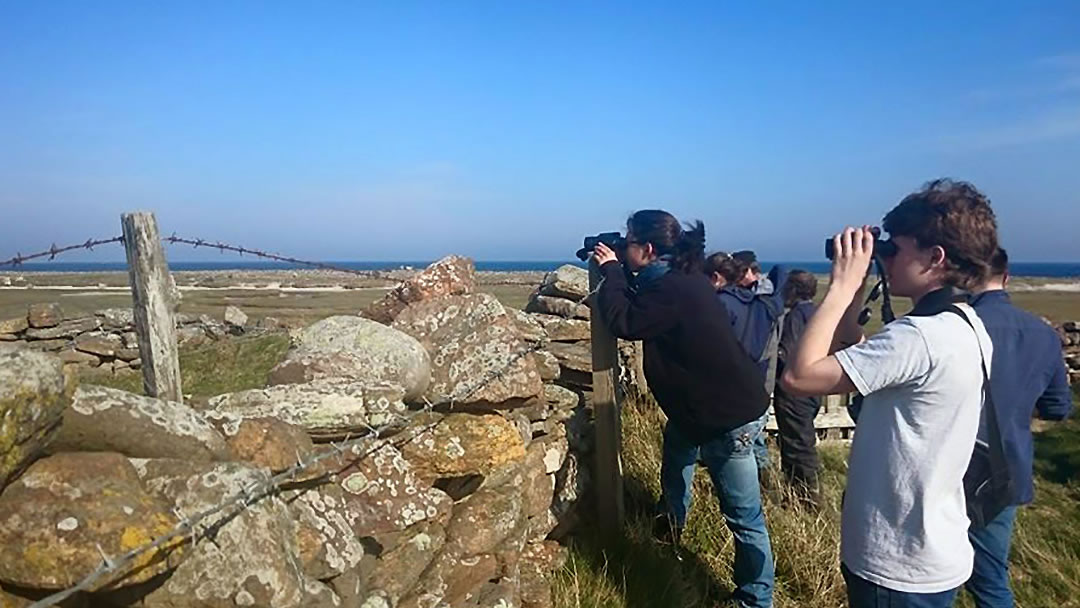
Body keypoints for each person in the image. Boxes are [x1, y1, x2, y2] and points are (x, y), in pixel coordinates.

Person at [781, 178, 999, 607]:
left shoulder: (919, 337)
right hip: (932, 548)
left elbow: (799, 378)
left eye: (893, 249)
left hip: (895, 562)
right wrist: (855, 298)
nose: (885, 259)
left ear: (935, 258)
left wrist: (841, 287)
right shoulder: (965, 324)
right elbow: (870, 360)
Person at [594, 210, 774, 608]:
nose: (624, 247)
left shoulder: (672, 290)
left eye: (629, 241)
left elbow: (625, 320)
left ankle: (755, 601)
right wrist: (624, 271)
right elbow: (646, 303)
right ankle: (668, 527)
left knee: (743, 516)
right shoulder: (682, 278)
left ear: (649, 248)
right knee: (677, 452)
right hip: (702, 411)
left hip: (727, 418)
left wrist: (611, 271)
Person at [963, 247, 1073, 608]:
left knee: (926, 581)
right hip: (1006, 466)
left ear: (965, 278)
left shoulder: (955, 328)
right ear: (1006, 278)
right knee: (992, 581)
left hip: (948, 465)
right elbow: (1058, 408)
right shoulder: (1042, 335)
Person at [716, 250, 790, 476]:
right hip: (762, 375)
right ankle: (766, 481)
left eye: (739, 271)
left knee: (746, 440)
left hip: (756, 374)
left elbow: (757, 346)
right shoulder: (770, 296)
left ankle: (761, 481)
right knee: (754, 435)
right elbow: (782, 271)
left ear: (750, 271)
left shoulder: (763, 302)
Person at [772, 270, 822, 506]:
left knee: (797, 446)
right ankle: (799, 495)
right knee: (801, 439)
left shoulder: (796, 317)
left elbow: (787, 353)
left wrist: (774, 364)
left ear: (793, 290)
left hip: (794, 392)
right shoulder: (817, 314)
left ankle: (807, 498)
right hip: (814, 389)